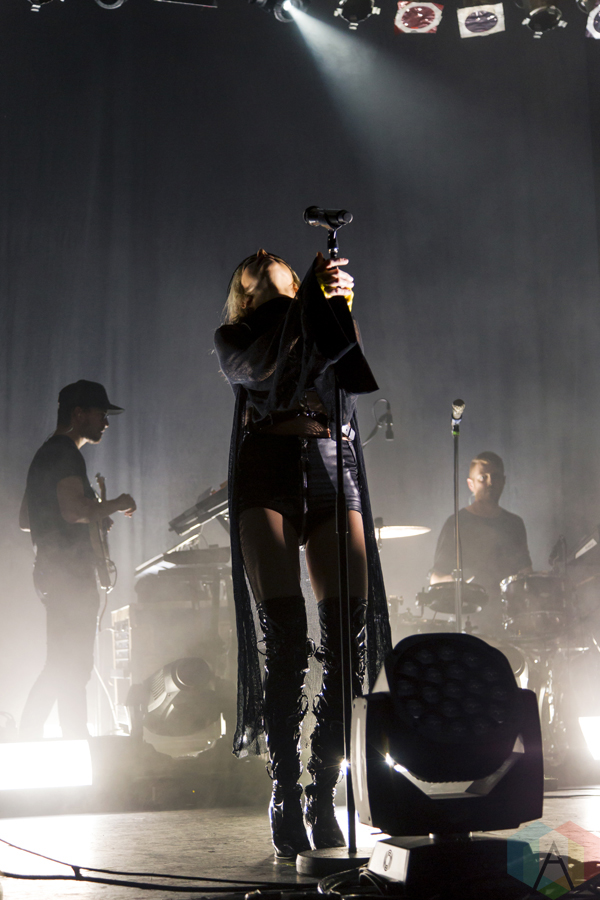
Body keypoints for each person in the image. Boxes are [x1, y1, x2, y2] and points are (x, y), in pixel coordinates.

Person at [214, 248, 391, 859]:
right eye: (251, 265)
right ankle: (285, 795)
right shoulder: (234, 336)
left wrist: (338, 307)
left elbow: (348, 382)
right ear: (244, 290)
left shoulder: (323, 316)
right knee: (286, 641)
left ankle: (322, 790)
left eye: (277, 260)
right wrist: (311, 303)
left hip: (330, 464)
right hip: (266, 466)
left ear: (295, 278)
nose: (265, 258)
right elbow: (266, 370)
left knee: (346, 638)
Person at [19, 380, 136, 740]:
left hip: (52, 572)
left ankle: (44, 736)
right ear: (79, 413)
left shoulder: (46, 453)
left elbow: (27, 518)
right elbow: (72, 511)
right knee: (72, 663)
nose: (106, 422)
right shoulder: (66, 453)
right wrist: (114, 504)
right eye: (102, 414)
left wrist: (92, 514)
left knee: (63, 662)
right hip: (70, 575)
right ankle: (65, 737)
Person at [430, 450, 532, 632]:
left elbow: (525, 573)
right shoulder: (456, 523)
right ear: (471, 484)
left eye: (495, 477)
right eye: (483, 478)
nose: (490, 483)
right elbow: (435, 578)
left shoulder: (514, 523)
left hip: (508, 622)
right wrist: (458, 581)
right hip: (468, 622)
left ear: (504, 481)